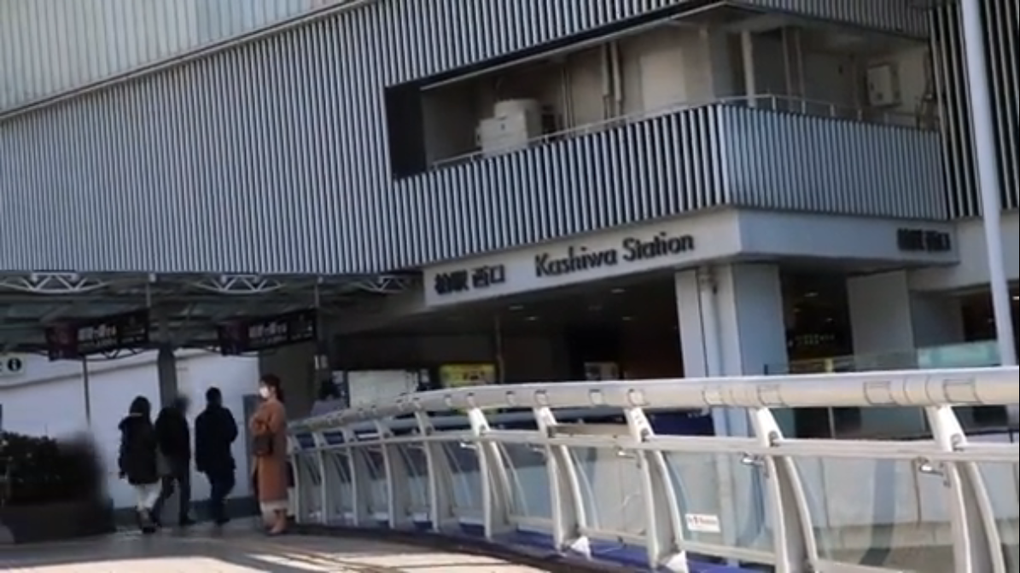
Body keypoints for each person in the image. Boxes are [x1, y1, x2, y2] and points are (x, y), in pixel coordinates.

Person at [249, 374, 288, 534]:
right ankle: (276, 519)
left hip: (273, 451)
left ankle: (281, 519)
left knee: (275, 485)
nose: (262, 390)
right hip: (267, 452)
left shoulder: (276, 407)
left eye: (264, 386)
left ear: (272, 388)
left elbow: (271, 427)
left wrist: (259, 425)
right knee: (268, 485)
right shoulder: (266, 407)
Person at [195, 386, 238, 525]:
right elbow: (233, 433)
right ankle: (216, 507)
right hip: (223, 455)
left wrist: (199, 461)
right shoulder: (224, 414)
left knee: (216, 484)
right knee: (227, 482)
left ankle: (218, 511)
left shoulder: (200, 418)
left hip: (208, 459)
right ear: (219, 398)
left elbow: (198, 441)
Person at [118, 396, 160, 533]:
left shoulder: (127, 427)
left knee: (140, 491)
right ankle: (146, 510)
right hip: (147, 463)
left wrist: (122, 467)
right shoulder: (145, 425)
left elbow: (123, 448)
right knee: (156, 489)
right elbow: (152, 443)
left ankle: (144, 517)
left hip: (132, 466)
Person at [153, 395, 194, 526]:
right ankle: (183, 515)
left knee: (167, 488)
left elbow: (157, 436)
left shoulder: (164, 418)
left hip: (168, 457)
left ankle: (155, 512)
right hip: (179, 457)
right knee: (184, 488)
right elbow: (182, 439)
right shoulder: (178, 419)